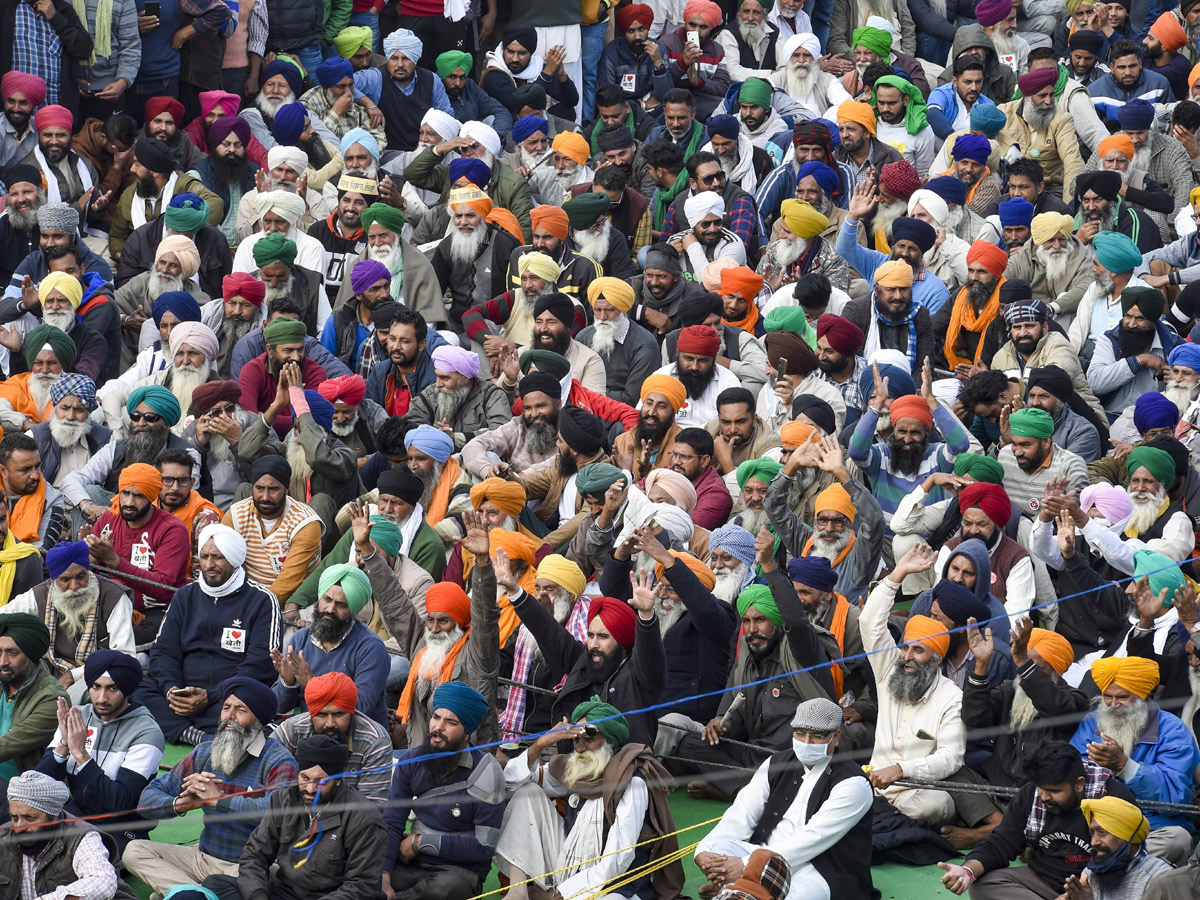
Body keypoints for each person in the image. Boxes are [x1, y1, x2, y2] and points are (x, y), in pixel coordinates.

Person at [497, 700, 685, 900]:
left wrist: (562, 895)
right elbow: (511, 783)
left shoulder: (631, 781)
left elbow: (618, 859)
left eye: (588, 738)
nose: (580, 748)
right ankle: (518, 892)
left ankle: (551, 894)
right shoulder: (576, 771)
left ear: (610, 739)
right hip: (568, 867)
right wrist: (541, 743)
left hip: (615, 885)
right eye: (576, 740)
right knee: (527, 792)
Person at [123, 677, 297, 894]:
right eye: (226, 708)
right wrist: (181, 804)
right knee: (134, 850)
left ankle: (186, 893)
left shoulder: (278, 760)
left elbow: (281, 814)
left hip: (248, 867)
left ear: (259, 720)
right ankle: (198, 894)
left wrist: (220, 800)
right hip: (201, 858)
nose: (229, 716)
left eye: (240, 709)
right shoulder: (205, 752)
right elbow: (147, 799)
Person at [694, 697, 875, 900]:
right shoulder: (776, 763)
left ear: (836, 737)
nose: (806, 743)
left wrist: (747, 866)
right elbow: (741, 813)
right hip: (762, 853)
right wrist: (704, 851)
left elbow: (812, 840)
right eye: (800, 733)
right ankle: (742, 889)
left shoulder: (853, 784)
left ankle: (736, 890)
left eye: (817, 736)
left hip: (819, 870)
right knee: (718, 851)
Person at [136, 524, 281, 744]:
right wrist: (172, 691)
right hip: (182, 696)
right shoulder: (185, 595)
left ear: (235, 560)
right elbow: (164, 650)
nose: (209, 565)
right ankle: (196, 735)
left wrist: (211, 696)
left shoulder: (262, 600)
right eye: (204, 557)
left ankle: (183, 727)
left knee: (244, 705)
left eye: (218, 558)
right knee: (134, 685)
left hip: (227, 696)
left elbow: (261, 664)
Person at [938, 741, 1139, 898]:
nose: (1044, 796)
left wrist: (1083, 894)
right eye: (1040, 788)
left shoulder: (1112, 798)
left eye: (1054, 791)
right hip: (1042, 881)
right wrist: (967, 871)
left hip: (1097, 888)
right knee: (982, 884)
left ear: (1079, 784)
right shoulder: (1031, 794)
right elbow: (1001, 843)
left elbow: (1125, 858)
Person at [204, 734, 386, 900]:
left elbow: (362, 887)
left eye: (321, 782)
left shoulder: (364, 819)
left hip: (331, 897)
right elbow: (254, 855)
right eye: (305, 778)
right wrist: (258, 897)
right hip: (285, 893)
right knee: (217, 885)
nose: (310, 789)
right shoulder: (283, 801)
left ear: (338, 780)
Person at [859, 545, 965, 824]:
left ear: (936, 657)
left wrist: (901, 770)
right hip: (872, 785)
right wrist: (897, 575)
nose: (906, 657)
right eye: (905, 648)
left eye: (918, 651)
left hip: (913, 792)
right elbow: (870, 623)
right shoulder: (890, 670)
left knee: (937, 804)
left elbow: (951, 757)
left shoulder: (951, 696)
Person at [1070, 656, 1200, 865]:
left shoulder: (1172, 730)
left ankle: (1104, 870)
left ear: (1143, 695)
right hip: (1096, 823)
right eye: (1107, 696)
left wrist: (1124, 766)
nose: (1113, 705)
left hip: (1149, 824)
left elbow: (1175, 798)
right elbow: (1072, 772)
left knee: (1176, 840)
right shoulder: (1092, 723)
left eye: (1122, 697)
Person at [383, 682, 504, 900]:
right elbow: (392, 822)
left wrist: (421, 842)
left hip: (458, 871)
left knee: (443, 889)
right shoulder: (411, 760)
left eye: (450, 722)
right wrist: (383, 876)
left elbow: (484, 847)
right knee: (370, 877)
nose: (438, 727)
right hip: (413, 864)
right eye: (436, 717)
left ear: (467, 732)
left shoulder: (487, 771)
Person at [35, 648, 164, 851]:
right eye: (96, 687)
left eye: (112, 689)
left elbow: (119, 802)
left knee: (81, 858)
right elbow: (40, 785)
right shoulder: (79, 717)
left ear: (127, 689)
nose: (102, 698)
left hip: (120, 827)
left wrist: (81, 756)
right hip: (74, 815)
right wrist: (64, 746)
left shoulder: (147, 732)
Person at [7, 541, 135, 701]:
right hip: (48, 674)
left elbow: (126, 656)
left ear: (88, 571)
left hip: (98, 678)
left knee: (64, 702)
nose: (74, 586)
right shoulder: (41, 594)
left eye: (81, 576)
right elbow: (4, 616)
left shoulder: (113, 596)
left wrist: (72, 676)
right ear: (53, 580)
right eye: (65, 579)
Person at [84, 462, 191, 646]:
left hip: (159, 610)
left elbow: (161, 586)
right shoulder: (109, 519)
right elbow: (89, 569)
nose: (129, 503)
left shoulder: (172, 530)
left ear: (152, 497)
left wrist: (112, 559)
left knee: (112, 645)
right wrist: (85, 556)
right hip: (113, 604)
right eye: (125, 493)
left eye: (138, 496)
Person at [272, 564, 390, 726]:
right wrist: (288, 683)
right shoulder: (300, 640)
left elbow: (361, 709)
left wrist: (312, 682)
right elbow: (281, 706)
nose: (330, 609)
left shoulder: (370, 647)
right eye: (327, 600)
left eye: (341, 605)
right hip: (311, 734)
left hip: (360, 740)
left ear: (353, 609)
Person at [0, 769, 136, 900]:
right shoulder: (3, 838)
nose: (18, 827)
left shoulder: (82, 837)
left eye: (30, 818)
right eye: (14, 818)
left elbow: (102, 883)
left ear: (54, 816)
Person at [274, 671, 394, 805]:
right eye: (322, 715)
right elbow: (272, 794)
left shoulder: (375, 742)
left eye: (338, 714)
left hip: (350, 822)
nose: (330, 723)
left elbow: (372, 807)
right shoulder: (291, 731)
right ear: (311, 714)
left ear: (351, 712)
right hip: (292, 816)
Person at [223, 456, 323, 605]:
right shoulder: (236, 514)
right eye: (259, 488)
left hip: (297, 600)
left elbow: (287, 583)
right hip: (247, 595)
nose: (265, 497)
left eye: (273, 489)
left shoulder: (305, 523)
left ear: (287, 490)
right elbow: (221, 560)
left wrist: (253, 609)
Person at [0, 613, 68, 775]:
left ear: (31, 654)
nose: (3, 661)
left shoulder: (52, 699)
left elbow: (9, 745)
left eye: (12, 653)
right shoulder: (4, 679)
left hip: (25, 789)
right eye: (0, 651)